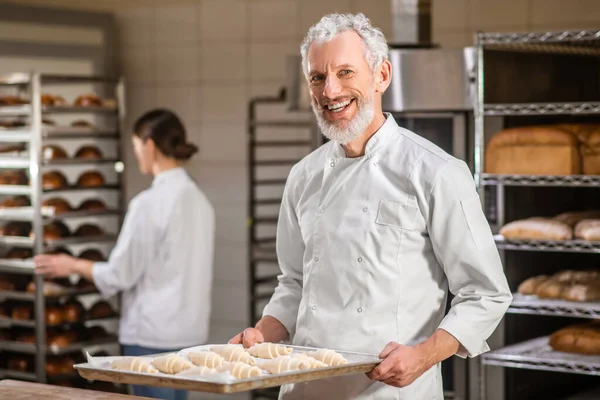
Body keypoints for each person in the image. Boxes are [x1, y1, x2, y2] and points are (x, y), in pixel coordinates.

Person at [230, 13, 512, 399]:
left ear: (381, 76)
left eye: (346, 72)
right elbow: (294, 283)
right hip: (306, 389)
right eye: (317, 77)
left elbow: (485, 294)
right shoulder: (303, 177)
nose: (330, 91)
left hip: (388, 392)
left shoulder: (436, 172)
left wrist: (425, 356)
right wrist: (263, 333)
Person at [34, 109, 215, 400]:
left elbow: (120, 274)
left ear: (150, 145)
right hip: (189, 336)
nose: (135, 154)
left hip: (151, 339)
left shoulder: (149, 203)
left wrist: (71, 265)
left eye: (135, 147)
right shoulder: (200, 200)